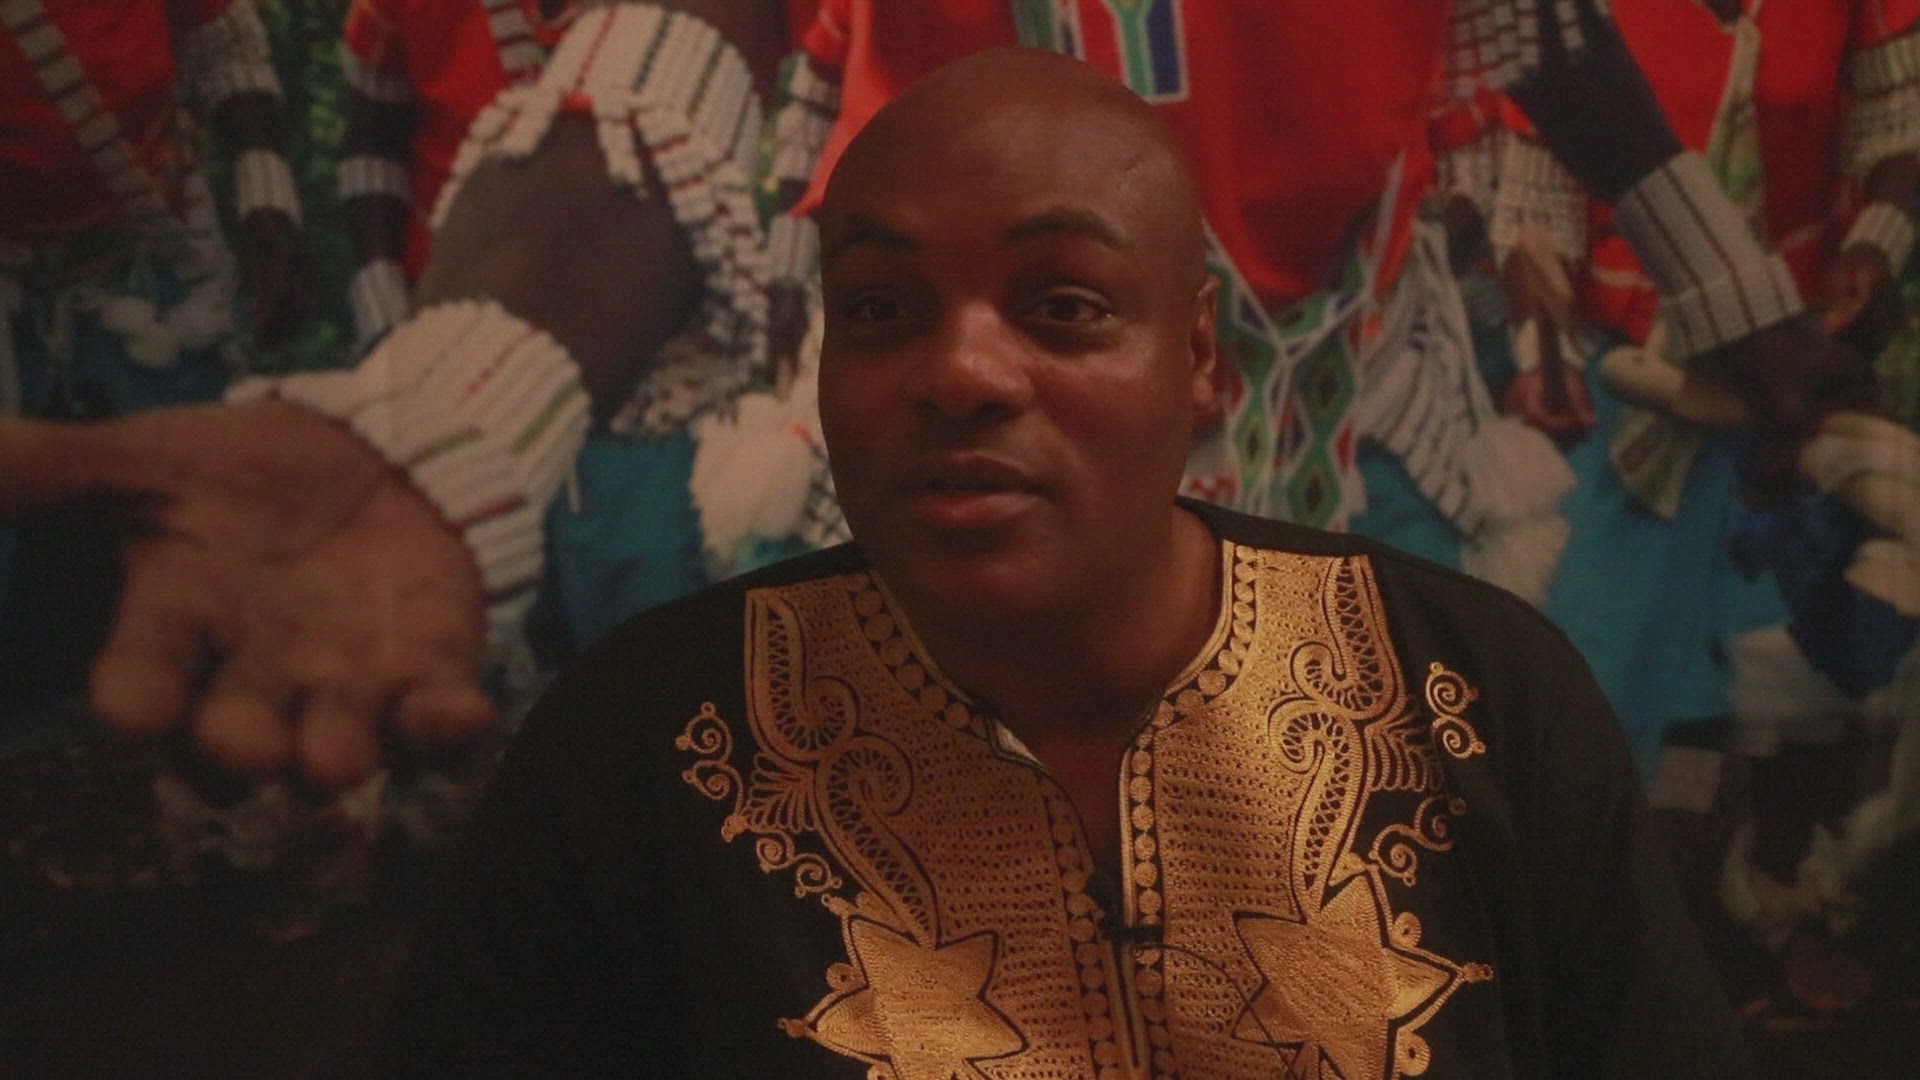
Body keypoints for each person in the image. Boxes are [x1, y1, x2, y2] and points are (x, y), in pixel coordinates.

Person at [375, 47, 1747, 1077]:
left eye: (1065, 306)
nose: (961, 373)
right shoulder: (645, 745)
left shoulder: (1472, 693)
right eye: (881, 308)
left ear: (1198, 359)